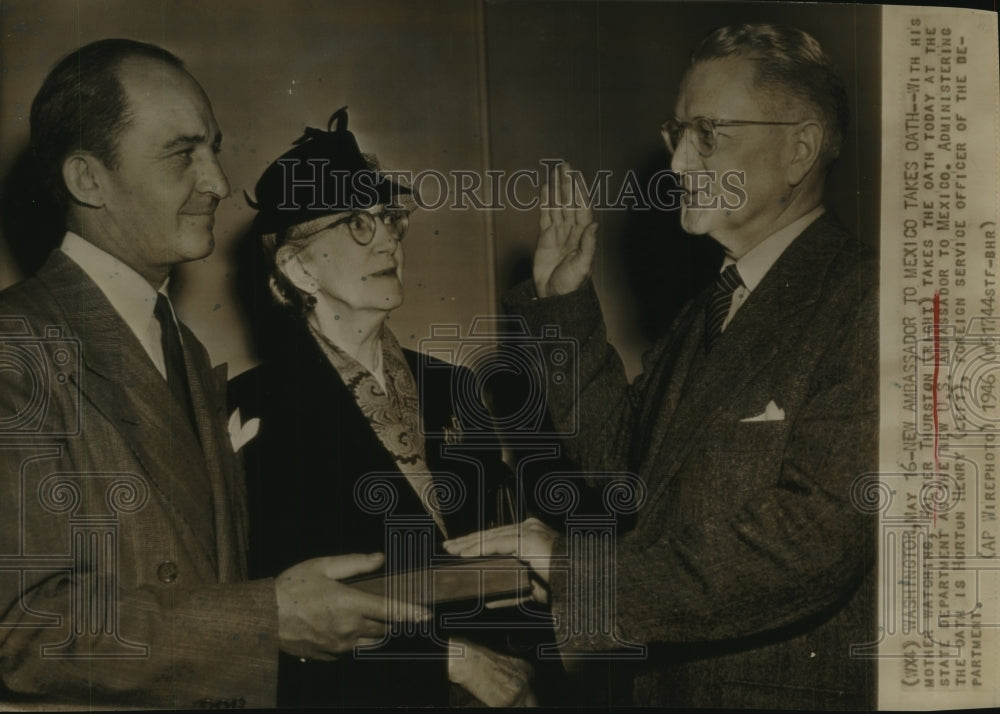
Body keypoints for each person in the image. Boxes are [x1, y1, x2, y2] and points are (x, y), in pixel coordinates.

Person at [445, 23, 877, 710]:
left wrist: (572, 567)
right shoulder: (714, 306)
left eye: (709, 133)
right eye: (676, 133)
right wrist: (563, 306)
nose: (677, 164)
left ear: (799, 147)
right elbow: (622, 464)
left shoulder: (868, 303)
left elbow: (813, 543)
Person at [0, 39, 427, 708]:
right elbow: (26, 631)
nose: (218, 183)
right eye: (181, 155)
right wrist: (268, 622)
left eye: (214, 150)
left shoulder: (184, 349)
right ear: (88, 180)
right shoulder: (14, 344)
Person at [228, 108, 537, 707]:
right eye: (355, 223)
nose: (388, 236)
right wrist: (451, 661)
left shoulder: (454, 386)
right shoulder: (253, 409)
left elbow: (511, 547)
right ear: (296, 267)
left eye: (388, 217)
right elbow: (279, 607)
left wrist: (524, 671)